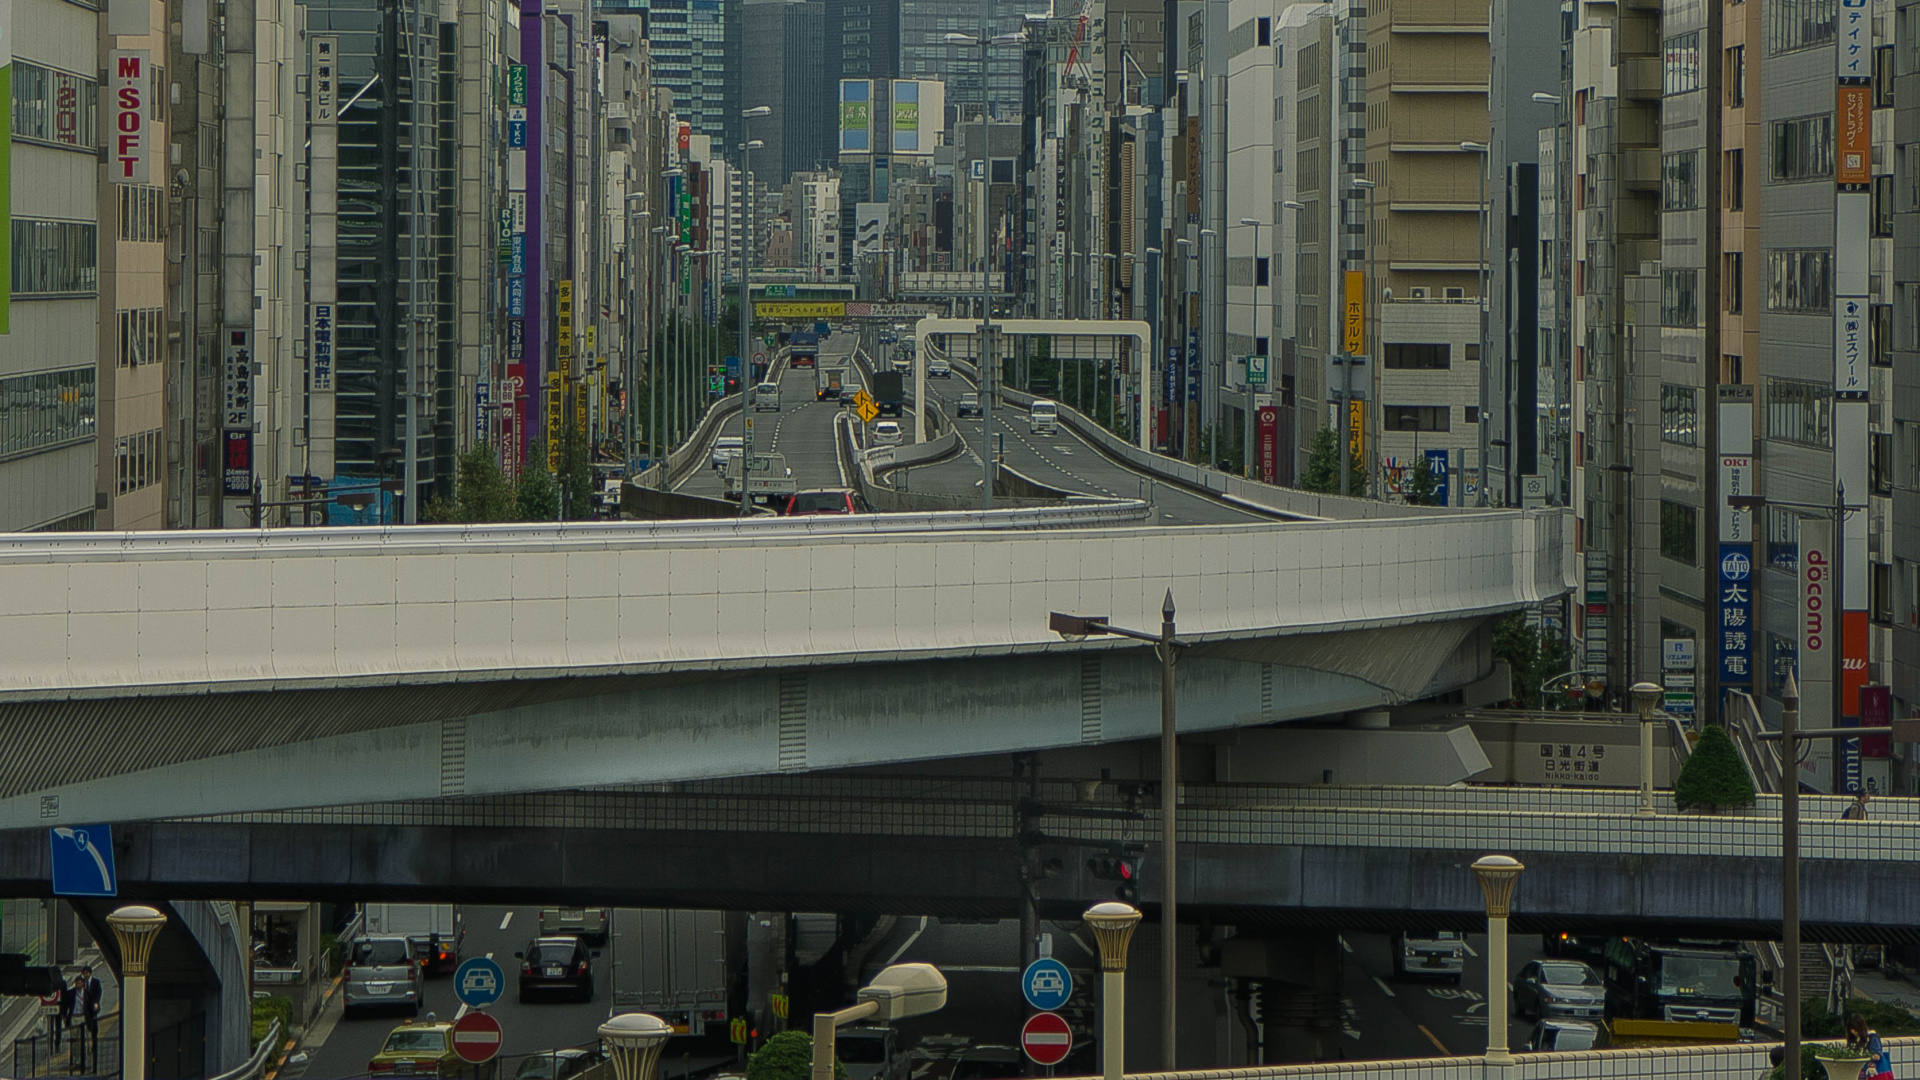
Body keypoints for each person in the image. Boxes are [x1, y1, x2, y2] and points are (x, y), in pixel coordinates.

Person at [1846, 1012, 1895, 1080]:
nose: (1853, 1032)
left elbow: (1877, 1056)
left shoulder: (1872, 1037)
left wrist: (1860, 1056)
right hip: (1861, 1074)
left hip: (1875, 1073)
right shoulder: (1854, 1040)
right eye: (1851, 1030)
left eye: (1855, 1029)